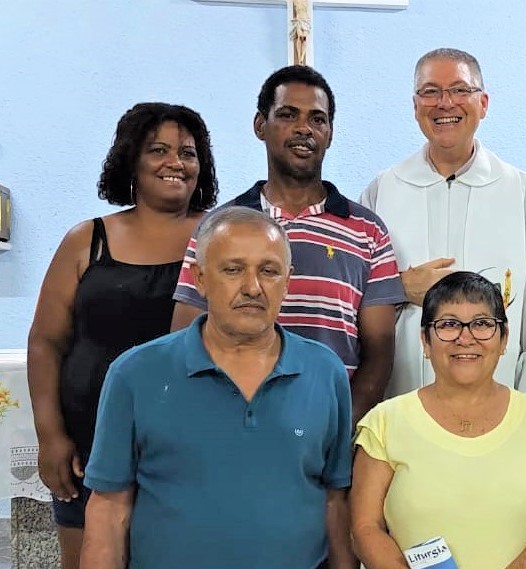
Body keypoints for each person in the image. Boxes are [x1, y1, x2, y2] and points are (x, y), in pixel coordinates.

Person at [81, 207, 355, 569]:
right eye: (233, 269)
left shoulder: (325, 372)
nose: (252, 287)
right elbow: (109, 507)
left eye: (269, 271)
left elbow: (335, 499)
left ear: (287, 282)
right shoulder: (135, 374)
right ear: (200, 278)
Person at [27, 102, 218, 569]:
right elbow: (45, 342)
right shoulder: (85, 239)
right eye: (159, 150)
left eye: (188, 153)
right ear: (131, 158)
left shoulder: (218, 237)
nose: (176, 162)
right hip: (87, 443)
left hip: (183, 445)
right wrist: (50, 436)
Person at [172, 65, 405, 425]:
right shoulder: (218, 227)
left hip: (328, 429)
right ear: (260, 125)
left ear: (329, 134)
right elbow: (185, 339)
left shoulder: (368, 231)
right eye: (287, 115)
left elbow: (379, 352)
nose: (303, 129)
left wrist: (343, 428)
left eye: (317, 119)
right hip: (228, 424)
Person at [360, 48, 526, 421]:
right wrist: (400, 288)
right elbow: (354, 301)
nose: (445, 103)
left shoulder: (519, 193)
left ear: (483, 103)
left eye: (460, 89)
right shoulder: (382, 192)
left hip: (501, 420)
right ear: (415, 106)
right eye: (430, 92)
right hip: (401, 415)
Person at [351, 271, 526, 569]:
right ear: (425, 340)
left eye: (482, 324)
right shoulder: (384, 422)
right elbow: (364, 529)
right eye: (448, 324)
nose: (465, 337)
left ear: (503, 338)